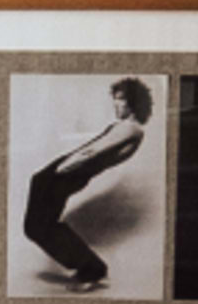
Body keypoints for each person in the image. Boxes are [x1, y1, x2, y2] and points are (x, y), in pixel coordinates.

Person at [23, 80, 151, 290]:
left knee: (37, 227)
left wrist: (61, 168)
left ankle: (92, 268)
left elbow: (94, 151)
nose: (115, 105)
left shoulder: (131, 129)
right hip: (71, 171)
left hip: (69, 172)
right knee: (40, 226)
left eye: (120, 99)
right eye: (115, 99)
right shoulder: (127, 128)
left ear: (133, 103)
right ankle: (91, 267)